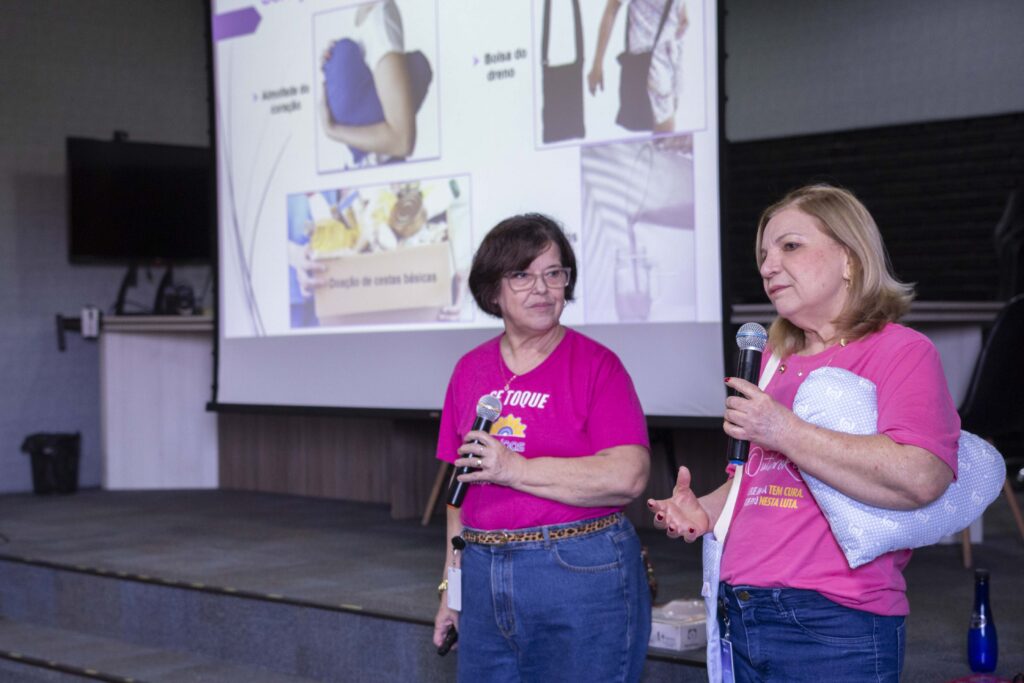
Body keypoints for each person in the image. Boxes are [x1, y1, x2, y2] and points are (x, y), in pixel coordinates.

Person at [648, 184, 960, 681]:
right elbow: (760, 479)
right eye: (763, 254)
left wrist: (783, 428)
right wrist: (704, 509)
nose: (769, 266)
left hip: (832, 618)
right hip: (743, 609)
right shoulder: (773, 359)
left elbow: (923, 476)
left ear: (850, 259)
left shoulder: (901, 351)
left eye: (789, 246)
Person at [431, 214, 652, 682]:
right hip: (482, 573)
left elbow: (627, 475)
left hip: (577, 573)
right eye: (523, 274)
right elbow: (458, 496)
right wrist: (452, 591)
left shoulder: (598, 367)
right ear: (493, 291)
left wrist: (515, 468)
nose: (543, 288)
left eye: (554, 273)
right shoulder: (469, 371)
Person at [319, 0, 416, 164]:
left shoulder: (381, 24)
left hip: (383, 174)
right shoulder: (361, 11)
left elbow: (402, 141)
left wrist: (331, 130)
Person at [587, 0, 689, 133]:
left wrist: (597, 64)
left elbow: (683, 17)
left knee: (664, 132)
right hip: (652, 66)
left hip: (667, 61)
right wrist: (597, 64)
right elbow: (612, 9)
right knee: (665, 131)